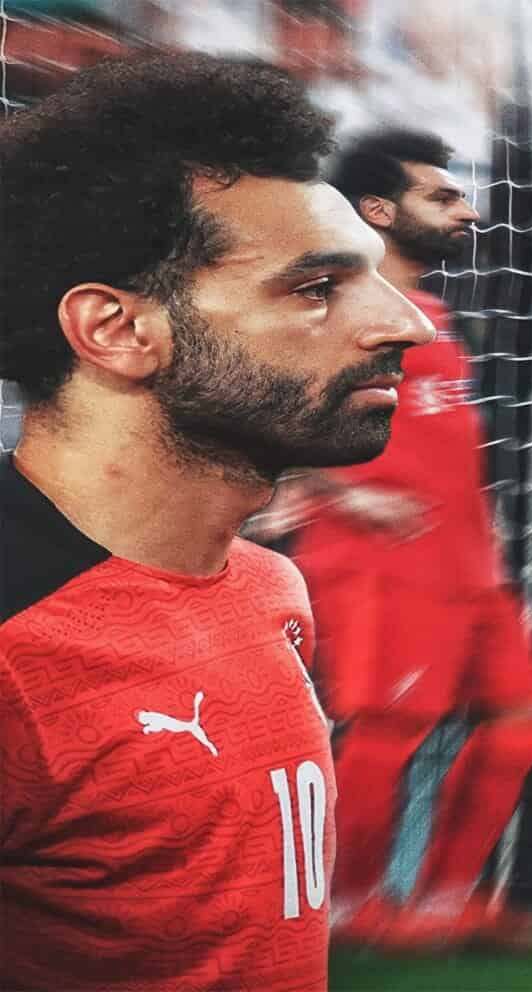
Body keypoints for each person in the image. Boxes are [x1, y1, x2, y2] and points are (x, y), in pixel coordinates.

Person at [0, 54, 431, 990]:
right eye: (316, 288)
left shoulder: (267, 587)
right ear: (117, 330)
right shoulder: (15, 655)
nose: (408, 326)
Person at [279, 128, 532, 948]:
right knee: (389, 727)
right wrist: (333, 490)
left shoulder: (428, 311)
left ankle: (442, 902)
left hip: (468, 563)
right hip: (379, 560)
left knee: (524, 716)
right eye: (441, 196)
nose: (465, 210)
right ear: (377, 210)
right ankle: (348, 907)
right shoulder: (324, 303)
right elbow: (253, 409)